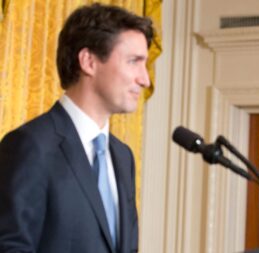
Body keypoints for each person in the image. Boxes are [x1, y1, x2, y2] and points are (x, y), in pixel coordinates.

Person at [0, 3, 152, 253]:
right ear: (89, 61)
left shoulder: (123, 156)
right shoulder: (29, 146)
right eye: (134, 61)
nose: (144, 79)